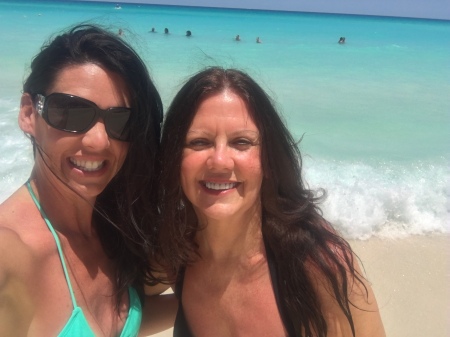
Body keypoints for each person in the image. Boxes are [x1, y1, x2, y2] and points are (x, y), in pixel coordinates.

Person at [157, 67, 386, 337]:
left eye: (241, 142)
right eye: (198, 142)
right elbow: (118, 308)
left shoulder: (316, 265)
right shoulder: (176, 253)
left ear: (268, 160)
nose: (219, 160)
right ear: (174, 159)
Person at [0, 24, 163, 336]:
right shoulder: (9, 254)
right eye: (72, 112)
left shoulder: (113, 230)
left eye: (121, 121)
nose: (99, 141)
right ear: (29, 113)